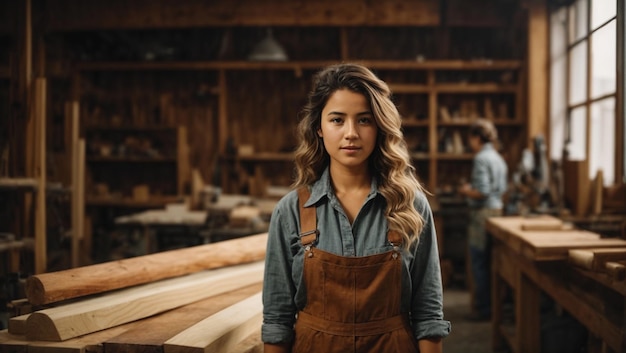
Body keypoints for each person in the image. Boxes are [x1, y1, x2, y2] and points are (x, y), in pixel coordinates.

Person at [262, 63, 451, 353]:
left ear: (379, 128)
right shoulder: (290, 212)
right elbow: (277, 321)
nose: (351, 133)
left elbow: (428, 315)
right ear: (319, 129)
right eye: (337, 120)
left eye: (364, 120)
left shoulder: (409, 205)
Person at [458, 119, 508, 321]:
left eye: (471, 139)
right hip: (498, 211)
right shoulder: (498, 158)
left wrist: (465, 191)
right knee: (492, 263)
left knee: (478, 262)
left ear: (477, 138)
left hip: (482, 215)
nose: (470, 143)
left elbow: (483, 191)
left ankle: (484, 310)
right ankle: (495, 308)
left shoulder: (481, 158)